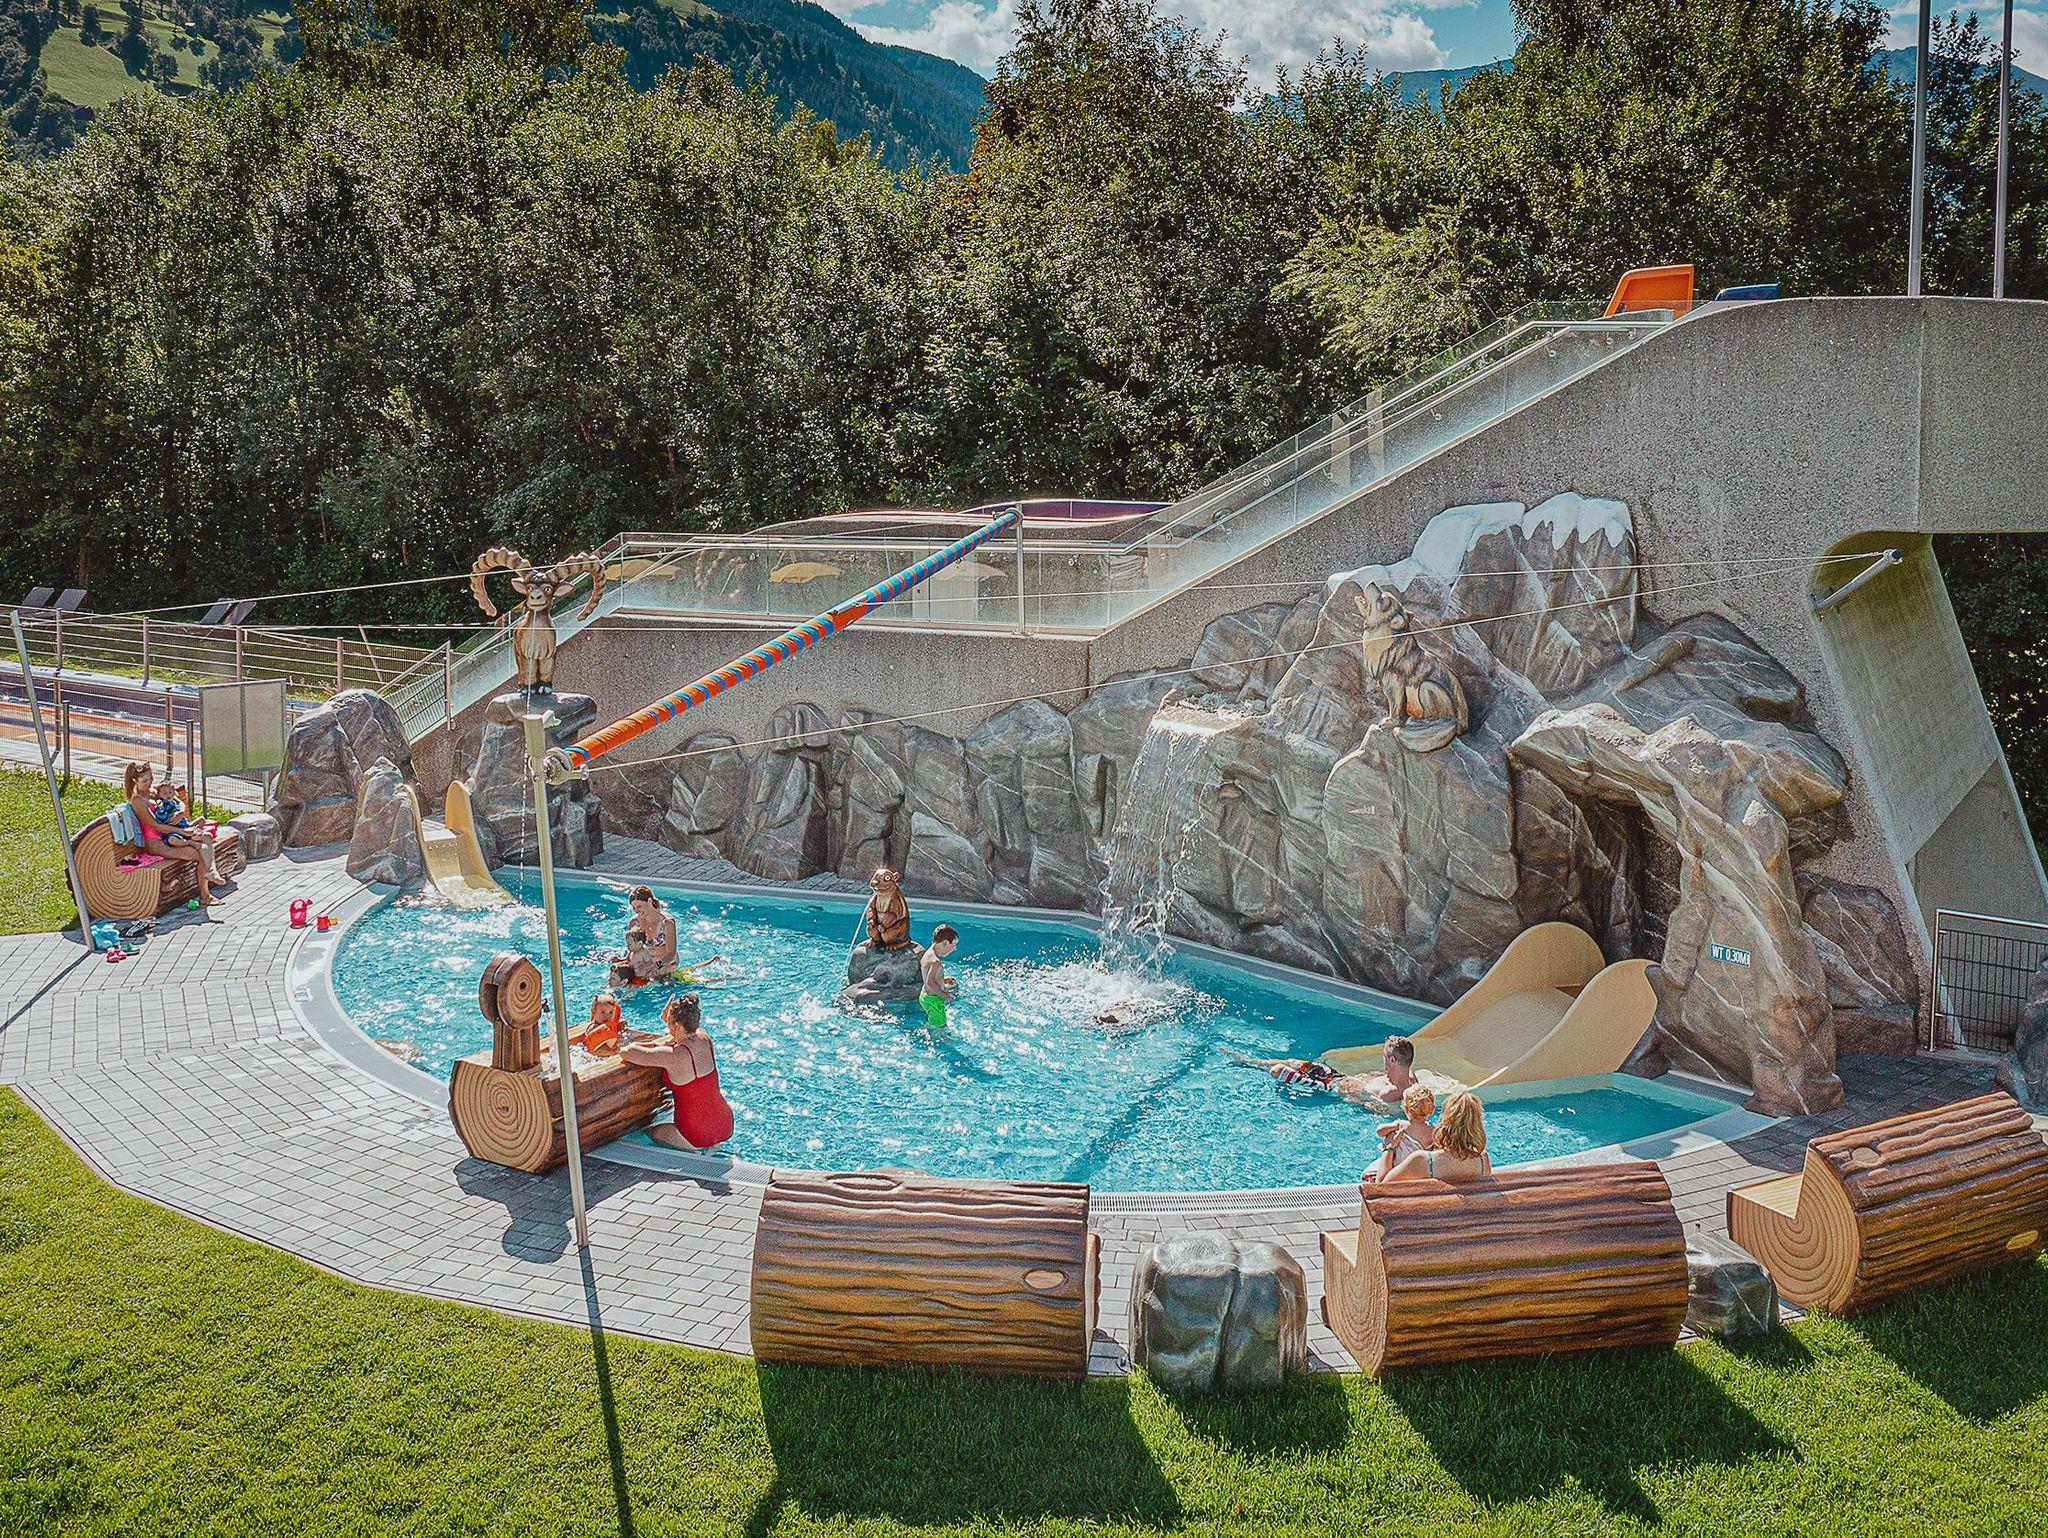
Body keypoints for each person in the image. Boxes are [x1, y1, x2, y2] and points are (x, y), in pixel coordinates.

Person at [620, 994, 734, 1151]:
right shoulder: (705, 1038)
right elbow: (686, 1033)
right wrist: (671, 1021)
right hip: (725, 1123)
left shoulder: (673, 1056)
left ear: (677, 1026)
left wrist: (653, 1044)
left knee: (647, 1133)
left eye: (670, 1024)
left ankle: (692, 1152)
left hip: (695, 1134)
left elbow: (627, 1052)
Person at [125, 761, 217, 907]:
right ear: (135, 781)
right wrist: (182, 831)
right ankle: (205, 896)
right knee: (198, 854)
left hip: (171, 833)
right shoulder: (138, 801)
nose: (149, 783)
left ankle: (213, 871)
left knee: (207, 836)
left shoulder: (154, 791)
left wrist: (181, 812)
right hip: (156, 842)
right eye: (145, 781)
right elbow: (156, 826)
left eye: (151, 778)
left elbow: (179, 801)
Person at [1239, 1035, 1419, 1108]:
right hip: (1336, 1077)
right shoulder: (1411, 1077)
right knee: (1294, 1062)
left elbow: (1368, 1106)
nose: (1384, 1060)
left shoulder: (1390, 1093)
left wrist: (1352, 1097)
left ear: (1393, 1060)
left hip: (1330, 1088)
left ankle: (1252, 1064)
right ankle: (1250, 1062)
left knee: (1277, 1071)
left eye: (1385, 1057)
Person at [1383, 1090, 1491, 1184]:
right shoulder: (1483, 1160)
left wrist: (1390, 1148)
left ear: (1445, 1120)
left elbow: (1381, 1186)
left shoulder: (1423, 1160)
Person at [1364, 1083, 1436, 1182]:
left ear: (1405, 1109)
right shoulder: (1433, 1132)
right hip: (1418, 1172)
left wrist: (1394, 1127)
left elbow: (1379, 1131)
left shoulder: (1402, 1125)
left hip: (1396, 1170)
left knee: (1390, 1136)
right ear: (1432, 1110)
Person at [611, 885, 678, 985]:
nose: (636, 911)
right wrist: (625, 960)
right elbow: (634, 948)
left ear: (649, 901)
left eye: (639, 906)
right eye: (634, 908)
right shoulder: (635, 922)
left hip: (665, 963)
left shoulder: (667, 922)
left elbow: (671, 954)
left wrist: (656, 966)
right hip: (644, 965)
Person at [862, 866, 913, 952]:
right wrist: (871, 919)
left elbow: (894, 914)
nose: (876, 882)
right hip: (879, 925)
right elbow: (871, 908)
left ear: (894, 879)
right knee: (871, 930)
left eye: (886, 879)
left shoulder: (894, 895)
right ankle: (876, 940)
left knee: (888, 936)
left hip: (894, 925)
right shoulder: (877, 896)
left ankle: (900, 943)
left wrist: (884, 925)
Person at [919, 924, 960, 1029]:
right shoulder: (935, 962)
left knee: (933, 1020)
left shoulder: (928, 954)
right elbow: (930, 983)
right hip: (934, 1000)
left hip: (925, 996)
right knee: (940, 1027)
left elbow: (927, 977)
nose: (954, 949)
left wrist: (942, 979)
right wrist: (945, 995)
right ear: (945, 943)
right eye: (953, 946)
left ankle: (930, 1023)